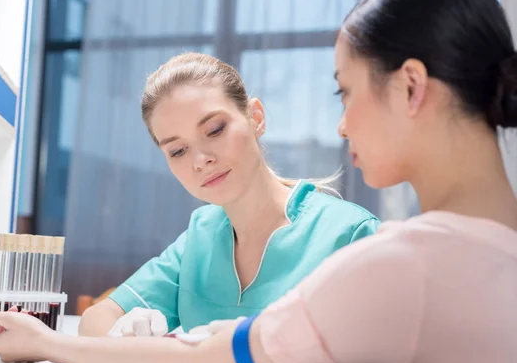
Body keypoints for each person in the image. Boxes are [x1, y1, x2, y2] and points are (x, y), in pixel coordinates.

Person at [0, 0, 517, 363]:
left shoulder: (388, 259)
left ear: (410, 87)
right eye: (176, 150)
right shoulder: (203, 234)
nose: (342, 123)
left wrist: (46, 343)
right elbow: (120, 321)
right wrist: (136, 330)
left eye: (345, 92)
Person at [77, 52, 379, 338]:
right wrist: (125, 334)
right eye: (178, 150)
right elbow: (95, 319)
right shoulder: (201, 236)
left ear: (256, 117)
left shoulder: (349, 235)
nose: (200, 160)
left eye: (215, 130)